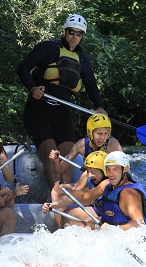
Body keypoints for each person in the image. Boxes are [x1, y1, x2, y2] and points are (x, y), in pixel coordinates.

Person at [17, 14, 107, 188]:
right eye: (72, 32)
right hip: (39, 109)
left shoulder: (82, 59)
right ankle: (55, 195)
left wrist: (100, 107)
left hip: (63, 112)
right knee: (51, 152)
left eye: (79, 34)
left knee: (67, 155)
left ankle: (68, 196)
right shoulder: (47, 48)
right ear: (64, 31)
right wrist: (32, 88)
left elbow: (91, 86)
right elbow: (23, 68)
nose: (75, 37)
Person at [43, 151, 146, 230]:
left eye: (115, 169)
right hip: (108, 228)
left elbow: (139, 222)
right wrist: (56, 202)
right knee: (69, 219)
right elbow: (85, 196)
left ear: (125, 169)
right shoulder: (107, 184)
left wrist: (115, 230)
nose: (111, 174)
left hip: (121, 235)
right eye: (108, 169)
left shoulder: (129, 192)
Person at [50, 113, 122, 179]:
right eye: (99, 133)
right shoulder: (81, 145)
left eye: (106, 133)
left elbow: (124, 169)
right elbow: (59, 171)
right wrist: (56, 161)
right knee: (64, 187)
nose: (102, 138)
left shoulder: (112, 144)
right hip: (91, 180)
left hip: (109, 181)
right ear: (89, 132)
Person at [48, 150, 108, 228]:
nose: (90, 175)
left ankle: (94, 230)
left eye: (93, 172)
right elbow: (76, 192)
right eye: (88, 171)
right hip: (98, 209)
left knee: (89, 224)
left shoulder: (111, 182)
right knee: (67, 216)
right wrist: (64, 187)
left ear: (104, 171)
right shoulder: (87, 174)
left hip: (110, 213)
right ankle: (59, 231)